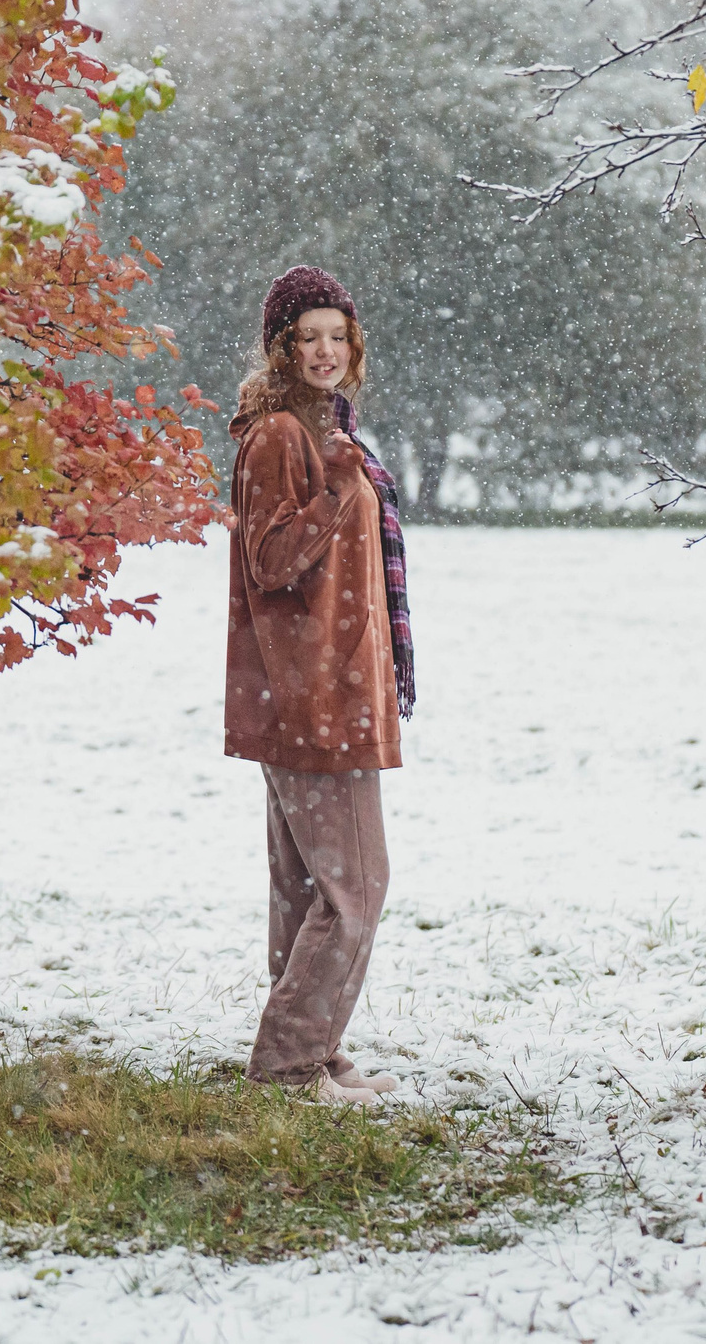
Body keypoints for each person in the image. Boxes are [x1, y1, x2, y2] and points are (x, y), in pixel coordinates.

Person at [224, 265, 417, 1104]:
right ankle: (289, 1063)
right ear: (282, 348)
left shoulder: (323, 429)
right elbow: (270, 560)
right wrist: (338, 485)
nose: (326, 351)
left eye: (338, 336)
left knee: (309, 891)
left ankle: (314, 1053)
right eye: (309, 337)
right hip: (313, 694)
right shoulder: (282, 438)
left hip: (315, 690)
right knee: (357, 888)